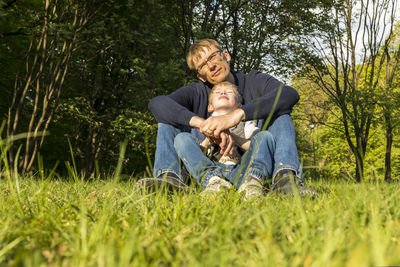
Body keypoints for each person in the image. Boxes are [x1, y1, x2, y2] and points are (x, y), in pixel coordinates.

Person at [136, 38, 316, 196]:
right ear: (201, 76)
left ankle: (285, 179)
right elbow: (157, 103)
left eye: (213, 57)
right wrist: (205, 125)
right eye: (203, 65)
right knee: (167, 119)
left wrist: (236, 116)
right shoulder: (197, 92)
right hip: (206, 169)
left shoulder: (253, 80)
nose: (211, 65)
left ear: (225, 55)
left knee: (280, 113)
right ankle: (170, 180)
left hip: (249, 167)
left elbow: (289, 94)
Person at [174, 81, 275, 199]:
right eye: (217, 92)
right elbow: (195, 155)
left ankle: (253, 183)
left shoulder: (247, 122)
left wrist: (232, 137)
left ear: (239, 105)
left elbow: (257, 146)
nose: (222, 92)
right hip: (214, 170)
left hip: (240, 170)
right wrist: (209, 138)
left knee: (265, 136)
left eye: (229, 92)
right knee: (181, 138)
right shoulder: (203, 125)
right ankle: (214, 182)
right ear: (210, 107)